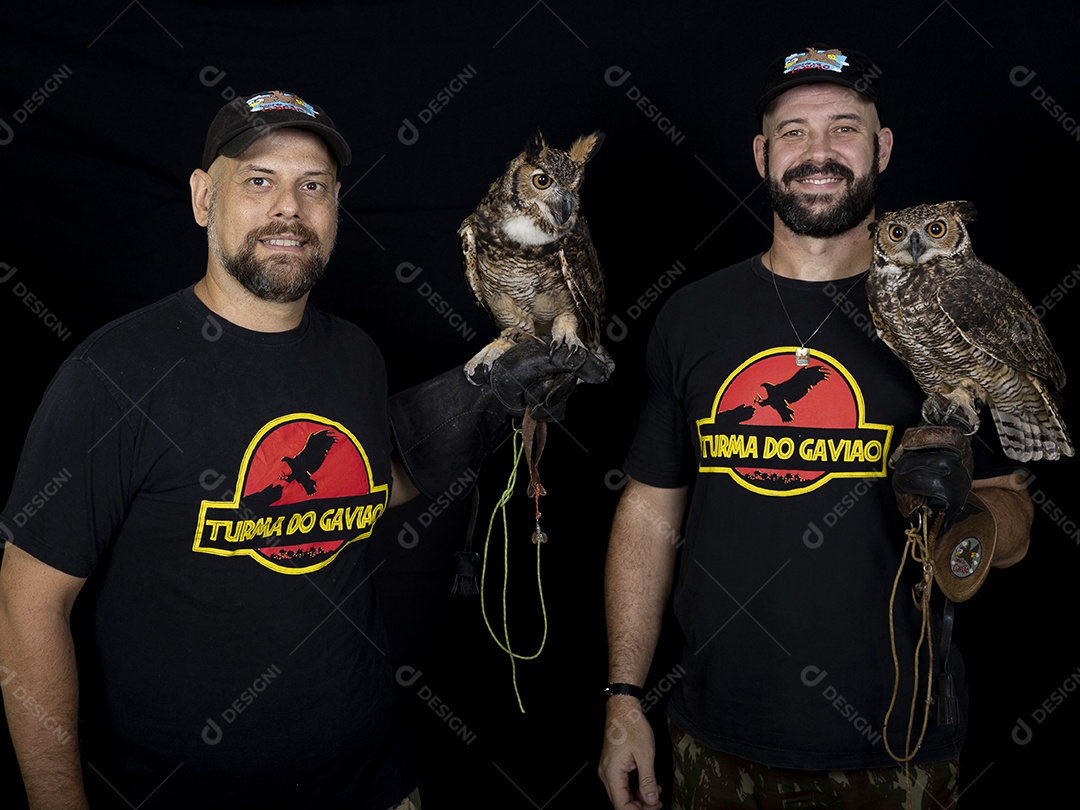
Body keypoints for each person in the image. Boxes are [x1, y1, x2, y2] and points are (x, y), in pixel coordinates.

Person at [0, 90, 601, 810]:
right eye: (259, 181)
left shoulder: (354, 355)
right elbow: (27, 608)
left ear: (335, 207)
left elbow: (356, 492)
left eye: (311, 186)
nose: (289, 207)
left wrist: (478, 401)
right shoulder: (114, 374)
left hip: (372, 781)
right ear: (202, 197)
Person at [597, 45, 1034, 809]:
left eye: (844, 128)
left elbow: (1017, 520)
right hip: (715, 735)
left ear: (882, 146)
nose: (819, 153)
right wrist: (625, 694)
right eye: (794, 132)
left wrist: (964, 513)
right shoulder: (694, 314)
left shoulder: (948, 317)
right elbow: (647, 510)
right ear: (764, 154)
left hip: (899, 745)